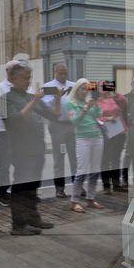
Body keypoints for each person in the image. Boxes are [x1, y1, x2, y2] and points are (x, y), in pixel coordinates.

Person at [3, 62, 62, 234]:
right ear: (13, 79)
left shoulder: (30, 97)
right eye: (25, 78)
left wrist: (57, 99)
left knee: (32, 187)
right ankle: (18, 225)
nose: (28, 81)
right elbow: (16, 120)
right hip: (21, 150)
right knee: (21, 187)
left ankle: (33, 218)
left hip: (37, 148)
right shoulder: (6, 98)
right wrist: (35, 100)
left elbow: (54, 115)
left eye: (30, 78)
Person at [0, 60, 28, 206]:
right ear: (7, 71)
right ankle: (3, 193)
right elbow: (2, 106)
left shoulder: (24, 87)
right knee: (5, 163)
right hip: (5, 130)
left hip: (21, 131)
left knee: (22, 162)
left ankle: (21, 192)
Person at [67, 79, 105, 212]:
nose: (84, 91)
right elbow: (75, 121)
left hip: (97, 136)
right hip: (83, 138)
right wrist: (85, 109)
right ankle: (74, 201)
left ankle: (91, 198)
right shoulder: (70, 103)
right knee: (81, 170)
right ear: (76, 89)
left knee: (95, 169)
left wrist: (96, 105)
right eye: (81, 89)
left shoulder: (88, 102)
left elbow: (99, 115)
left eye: (86, 89)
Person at [42, 63, 76, 198]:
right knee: (59, 157)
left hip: (72, 124)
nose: (63, 76)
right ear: (55, 72)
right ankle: (60, 188)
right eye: (60, 73)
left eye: (65, 73)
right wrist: (56, 96)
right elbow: (44, 105)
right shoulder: (49, 86)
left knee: (75, 157)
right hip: (57, 125)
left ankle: (77, 185)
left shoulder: (72, 85)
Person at [97, 79, 128, 194]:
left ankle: (116, 183)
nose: (103, 87)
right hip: (106, 132)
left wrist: (116, 93)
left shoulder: (115, 98)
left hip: (119, 131)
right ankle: (106, 185)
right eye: (101, 86)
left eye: (105, 85)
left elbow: (125, 103)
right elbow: (96, 116)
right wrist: (106, 119)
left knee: (116, 158)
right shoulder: (97, 102)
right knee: (105, 158)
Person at [120, 76, 134, 190]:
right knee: (128, 155)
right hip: (131, 130)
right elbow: (122, 115)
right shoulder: (126, 98)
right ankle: (124, 178)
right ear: (131, 84)